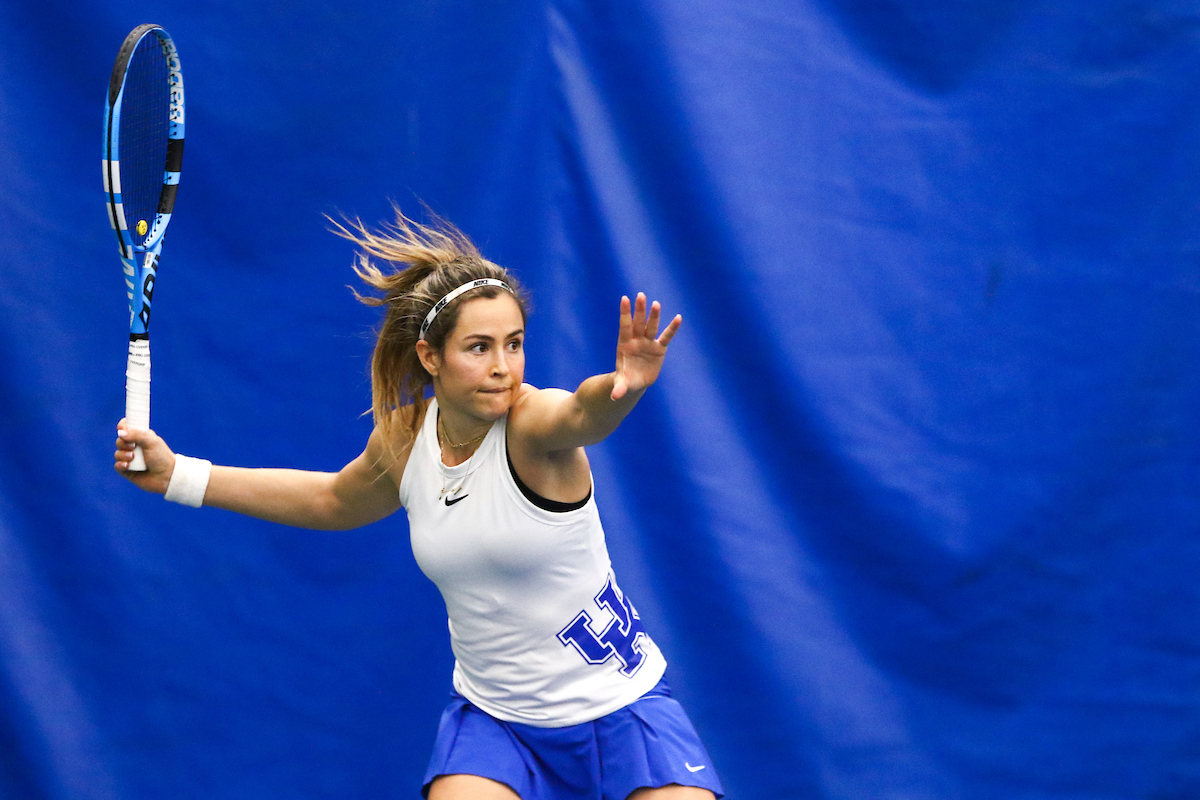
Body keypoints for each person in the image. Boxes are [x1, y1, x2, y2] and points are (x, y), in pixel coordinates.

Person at [114, 210, 724, 800]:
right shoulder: (405, 440)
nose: (503, 368)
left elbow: (584, 412)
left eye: (514, 344)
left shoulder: (533, 424)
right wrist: (178, 476)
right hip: (499, 724)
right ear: (431, 356)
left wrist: (623, 389)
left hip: (621, 707)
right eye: (479, 347)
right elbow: (332, 500)